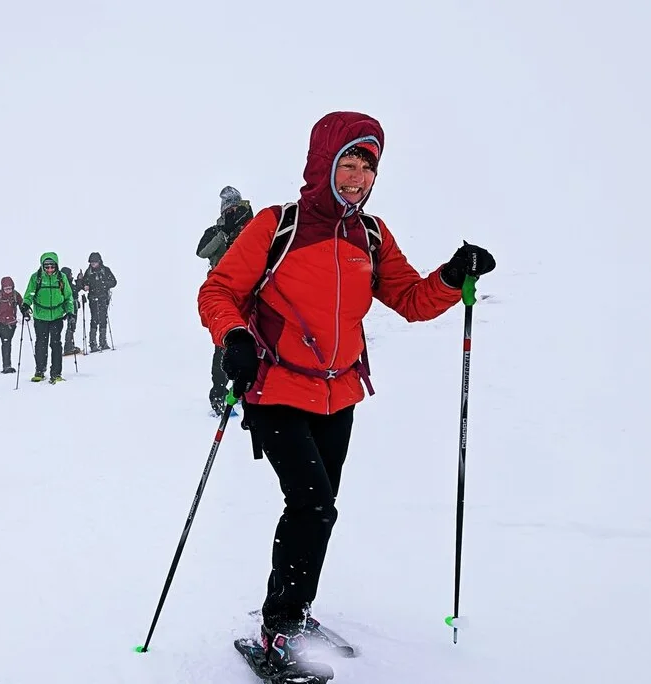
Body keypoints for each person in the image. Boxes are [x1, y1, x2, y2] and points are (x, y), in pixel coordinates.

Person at [197, 111, 495, 668]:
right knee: (310, 503)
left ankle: (295, 605)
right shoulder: (276, 225)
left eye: (367, 167)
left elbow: (412, 300)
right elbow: (217, 291)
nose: (357, 177)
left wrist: (455, 275)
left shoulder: (372, 235)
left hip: (340, 396)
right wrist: (233, 335)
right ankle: (278, 627)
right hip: (274, 388)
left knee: (321, 507)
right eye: (347, 163)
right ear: (322, 165)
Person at [196, 186, 255, 413]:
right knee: (224, 344)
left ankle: (243, 390)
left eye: (234, 207)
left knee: (250, 344)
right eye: (227, 208)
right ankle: (219, 394)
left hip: (250, 293)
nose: (231, 211)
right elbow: (201, 251)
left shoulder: (249, 225)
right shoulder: (216, 230)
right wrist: (223, 233)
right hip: (223, 295)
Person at [21, 252, 75, 383]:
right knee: (41, 344)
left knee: (56, 345)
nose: (50, 270)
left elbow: (68, 297)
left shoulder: (62, 278)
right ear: (43, 266)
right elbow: (30, 293)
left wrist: (70, 312)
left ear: (56, 265)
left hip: (57, 316)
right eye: (47, 267)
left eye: (52, 267)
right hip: (40, 316)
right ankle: (40, 370)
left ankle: (56, 373)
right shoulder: (36, 278)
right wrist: (25, 304)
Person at [75, 252, 117, 351]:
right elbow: (83, 284)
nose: (93, 264)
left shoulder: (105, 270)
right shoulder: (88, 272)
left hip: (103, 298)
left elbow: (114, 282)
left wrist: (104, 285)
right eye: (91, 262)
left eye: (94, 262)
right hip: (93, 298)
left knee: (103, 318)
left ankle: (103, 342)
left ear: (99, 261)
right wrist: (82, 283)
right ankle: (93, 343)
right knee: (95, 318)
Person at [59, 266, 83, 355]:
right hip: (71, 306)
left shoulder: (63, 283)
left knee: (71, 325)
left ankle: (69, 345)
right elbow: (75, 290)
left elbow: (76, 289)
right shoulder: (66, 284)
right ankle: (68, 346)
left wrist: (79, 279)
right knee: (71, 325)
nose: (71, 275)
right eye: (70, 274)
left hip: (69, 306)